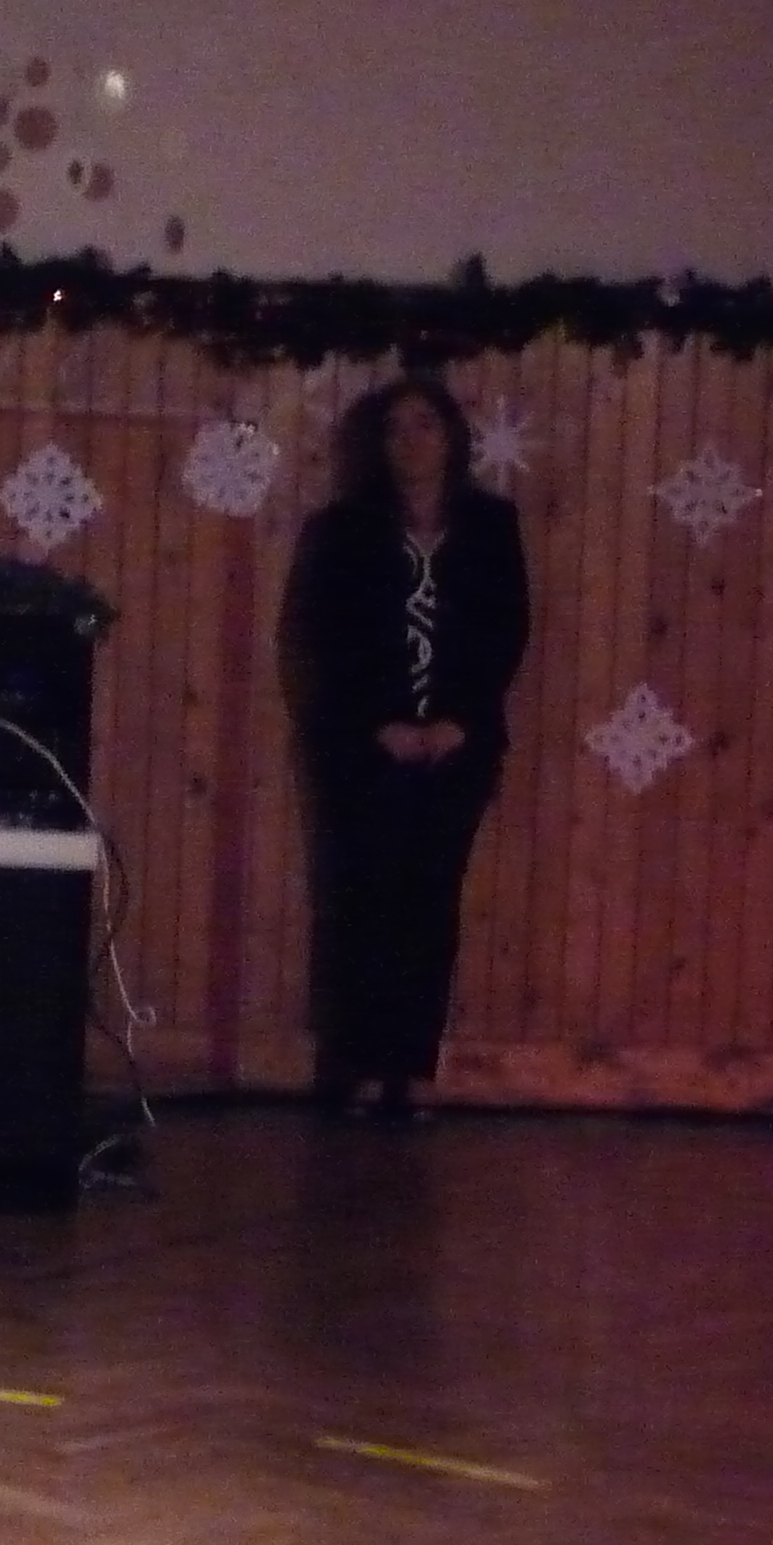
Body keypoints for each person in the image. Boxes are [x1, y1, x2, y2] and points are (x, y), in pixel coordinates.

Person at [284, 375, 531, 1121]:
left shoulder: (490, 525)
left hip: (458, 744)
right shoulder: (342, 529)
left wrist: (462, 718)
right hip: (364, 749)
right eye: (396, 428)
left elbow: (505, 627)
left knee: (430, 903)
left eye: (426, 425)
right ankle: (358, 1065)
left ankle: (415, 1067)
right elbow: (321, 636)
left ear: (452, 438)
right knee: (361, 900)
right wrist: (377, 722)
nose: (412, 441)